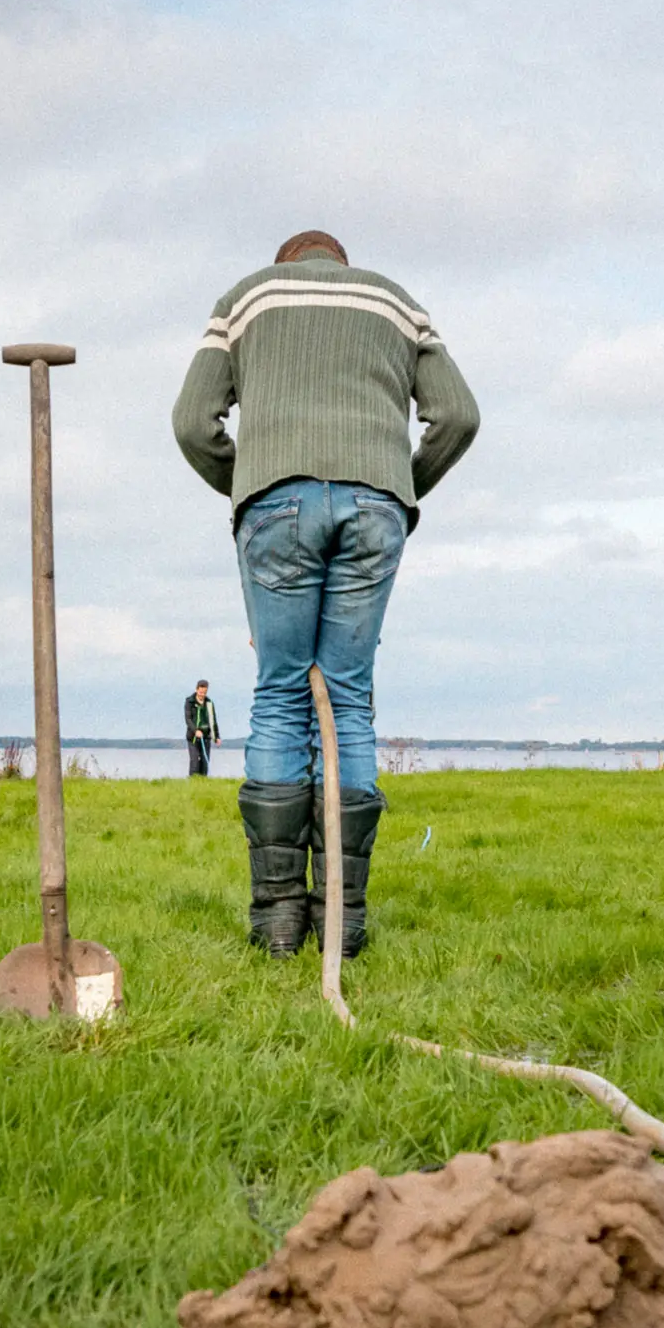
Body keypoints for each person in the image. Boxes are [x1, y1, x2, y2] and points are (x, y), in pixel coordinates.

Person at [173, 230, 479, 959]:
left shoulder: (246, 299)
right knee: (348, 694)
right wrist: (397, 487)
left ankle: (278, 924)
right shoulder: (397, 302)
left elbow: (192, 424)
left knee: (280, 691)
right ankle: (344, 923)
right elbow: (458, 417)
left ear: (288, 264)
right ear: (342, 264)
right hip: (377, 507)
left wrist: (248, 486)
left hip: (274, 504)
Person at [184, 680, 219, 777]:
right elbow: (188, 719)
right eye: (200, 692)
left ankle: (203, 783)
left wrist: (216, 736)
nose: (202, 694)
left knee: (204, 763)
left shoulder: (209, 703)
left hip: (206, 737)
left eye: (204, 692)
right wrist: (196, 731)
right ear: (196, 690)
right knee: (194, 762)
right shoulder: (189, 701)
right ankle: (192, 783)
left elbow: (213, 721)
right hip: (193, 738)